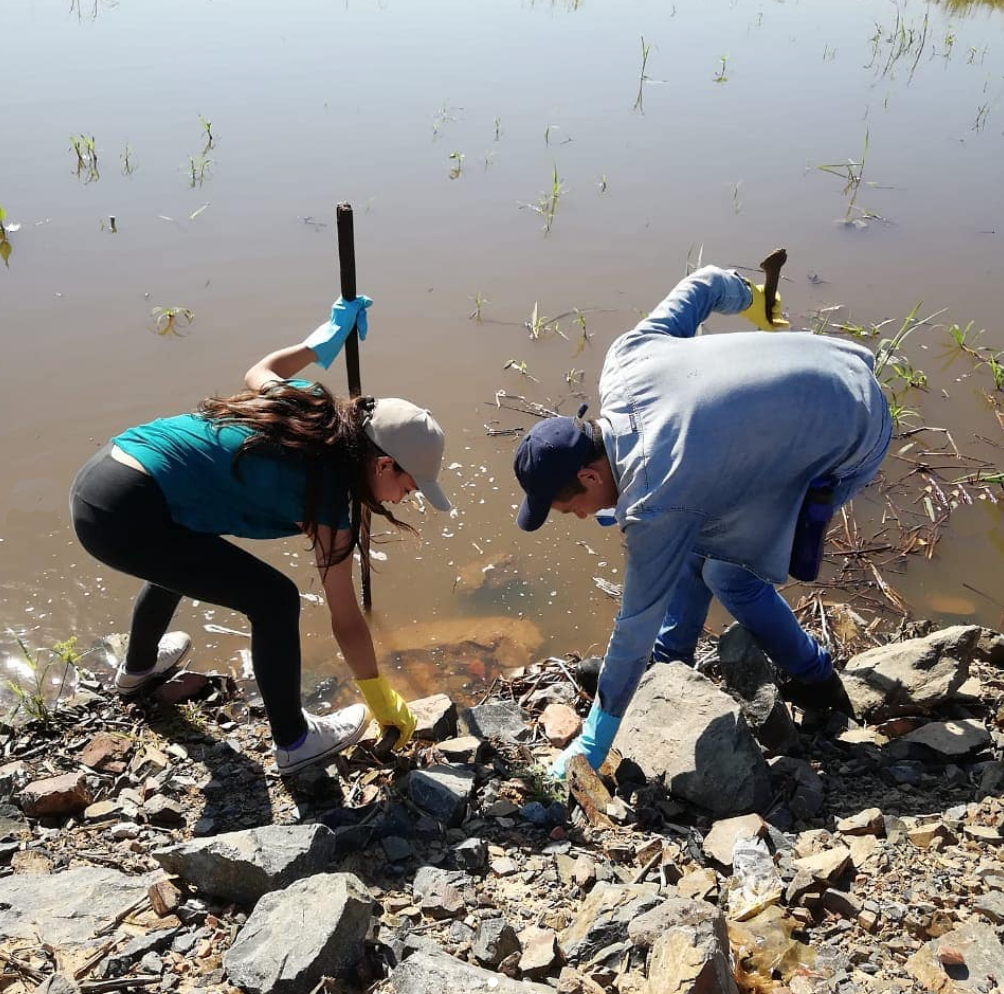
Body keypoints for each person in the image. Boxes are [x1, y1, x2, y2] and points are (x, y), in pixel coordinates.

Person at [512, 265, 891, 778]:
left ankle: (815, 677)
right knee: (697, 534)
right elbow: (707, 282)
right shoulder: (626, 361)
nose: (581, 516)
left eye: (570, 506)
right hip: (841, 362)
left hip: (854, 429)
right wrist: (756, 302)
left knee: (727, 573)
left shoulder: (654, 499)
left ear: (588, 473)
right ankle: (672, 661)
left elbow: (633, 624)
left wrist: (593, 741)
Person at [70, 295, 451, 774]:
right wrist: (380, 697)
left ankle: (139, 670)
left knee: (184, 551)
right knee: (274, 599)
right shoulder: (330, 496)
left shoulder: (311, 406)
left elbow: (262, 369)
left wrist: (319, 342)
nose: (403, 499)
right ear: (382, 464)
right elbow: (346, 618)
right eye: (407, 486)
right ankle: (294, 740)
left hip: (107, 473)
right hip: (124, 513)